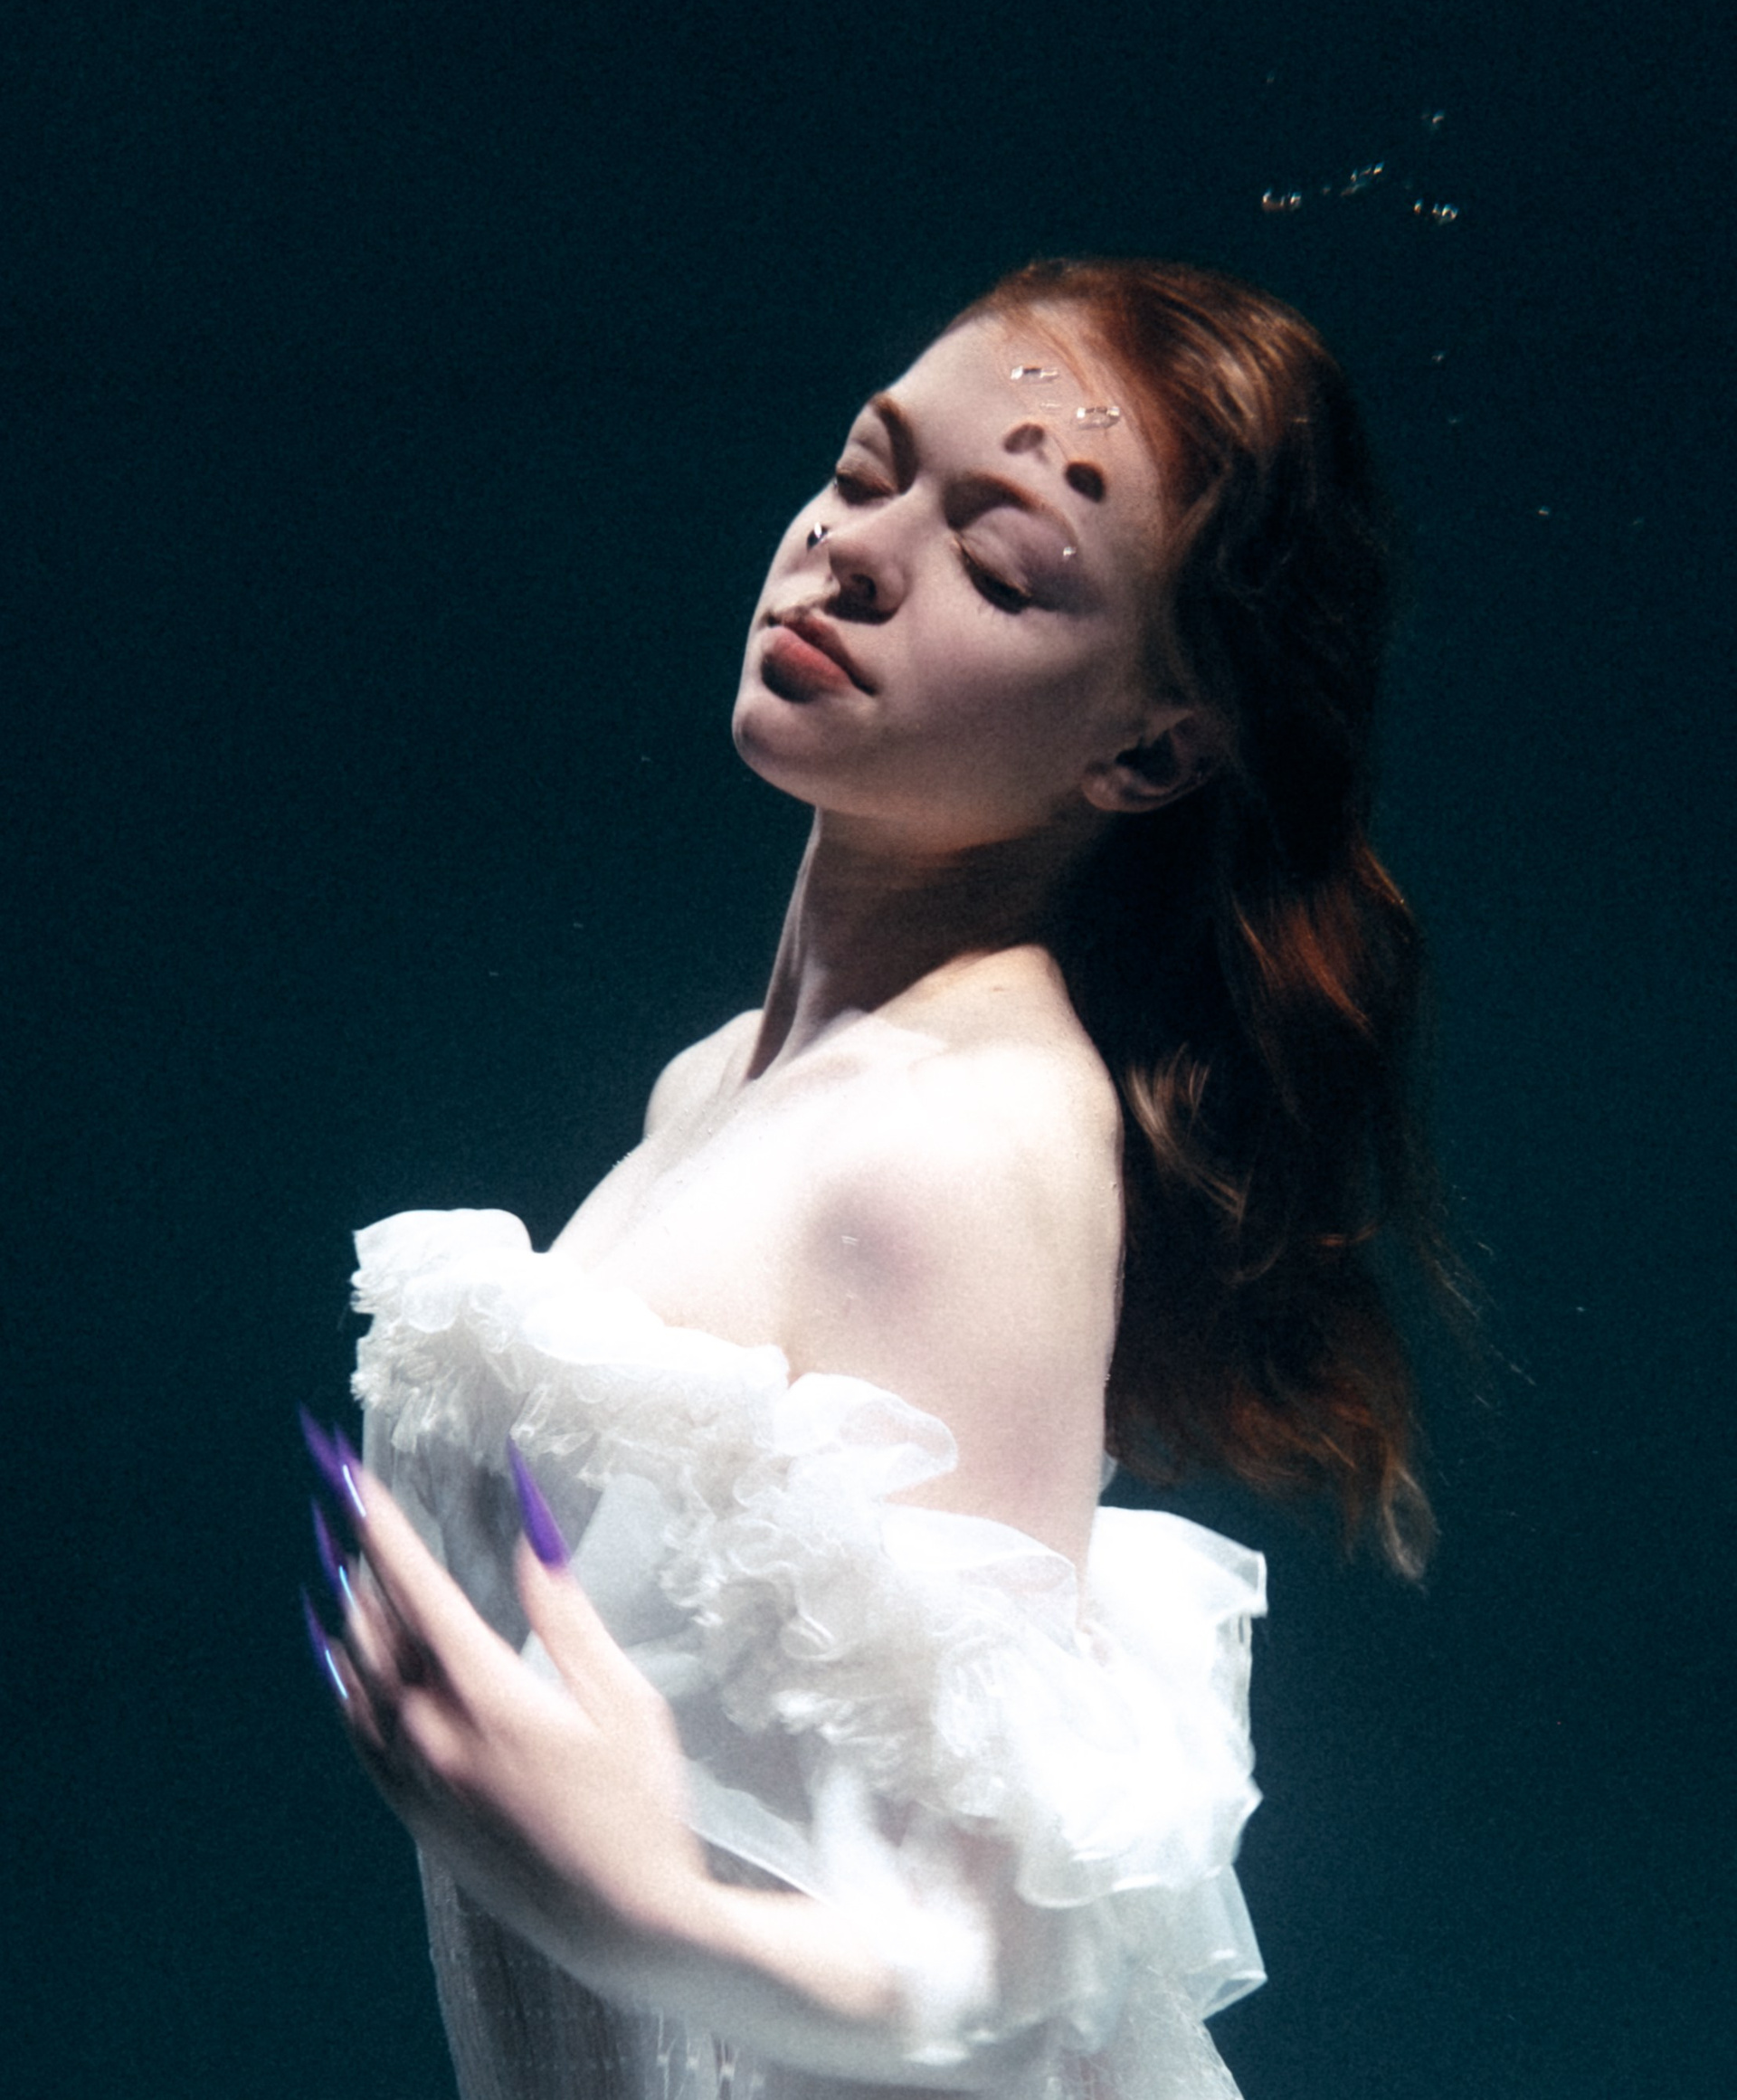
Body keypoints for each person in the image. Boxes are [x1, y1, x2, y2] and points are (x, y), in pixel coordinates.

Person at [302, 258, 1446, 2100]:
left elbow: (1008, 1973)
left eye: (1000, 564)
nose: (855, 555)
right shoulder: (716, 1085)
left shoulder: (968, 1143)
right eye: (863, 469)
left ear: (1152, 746)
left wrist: (635, 1902)